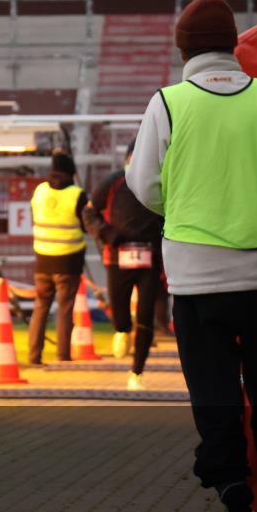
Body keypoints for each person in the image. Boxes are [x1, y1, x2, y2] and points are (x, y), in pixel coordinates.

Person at [126, 0, 257, 512]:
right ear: (233, 43)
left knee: (215, 398)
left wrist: (186, 205)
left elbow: (144, 186)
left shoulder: (167, 103)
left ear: (184, 49)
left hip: (196, 277)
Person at [83, 138, 164, 390]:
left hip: (150, 256)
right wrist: (106, 233)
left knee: (145, 316)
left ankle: (137, 372)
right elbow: (88, 213)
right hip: (118, 255)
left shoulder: (162, 181)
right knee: (120, 311)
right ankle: (121, 329)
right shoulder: (113, 182)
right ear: (129, 157)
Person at [27, 150, 87, 364]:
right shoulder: (77, 194)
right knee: (65, 308)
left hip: (42, 259)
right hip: (68, 262)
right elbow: (86, 225)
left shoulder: (40, 191)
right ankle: (63, 356)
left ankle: (34, 356)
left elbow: (34, 216)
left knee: (40, 307)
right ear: (71, 173)